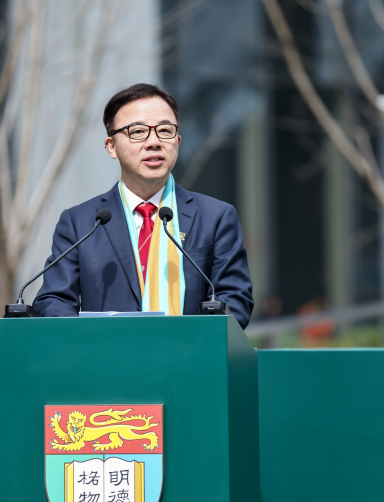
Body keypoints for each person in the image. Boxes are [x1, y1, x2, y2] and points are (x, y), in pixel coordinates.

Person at [33, 83, 254, 329]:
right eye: (138, 131)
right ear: (111, 146)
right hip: (105, 352)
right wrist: (90, 341)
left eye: (165, 130)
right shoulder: (80, 223)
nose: (154, 142)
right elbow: (54, 300)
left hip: (188, 352)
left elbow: (235, 300)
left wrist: (191, 342)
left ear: (178, 142)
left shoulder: (216, 217)